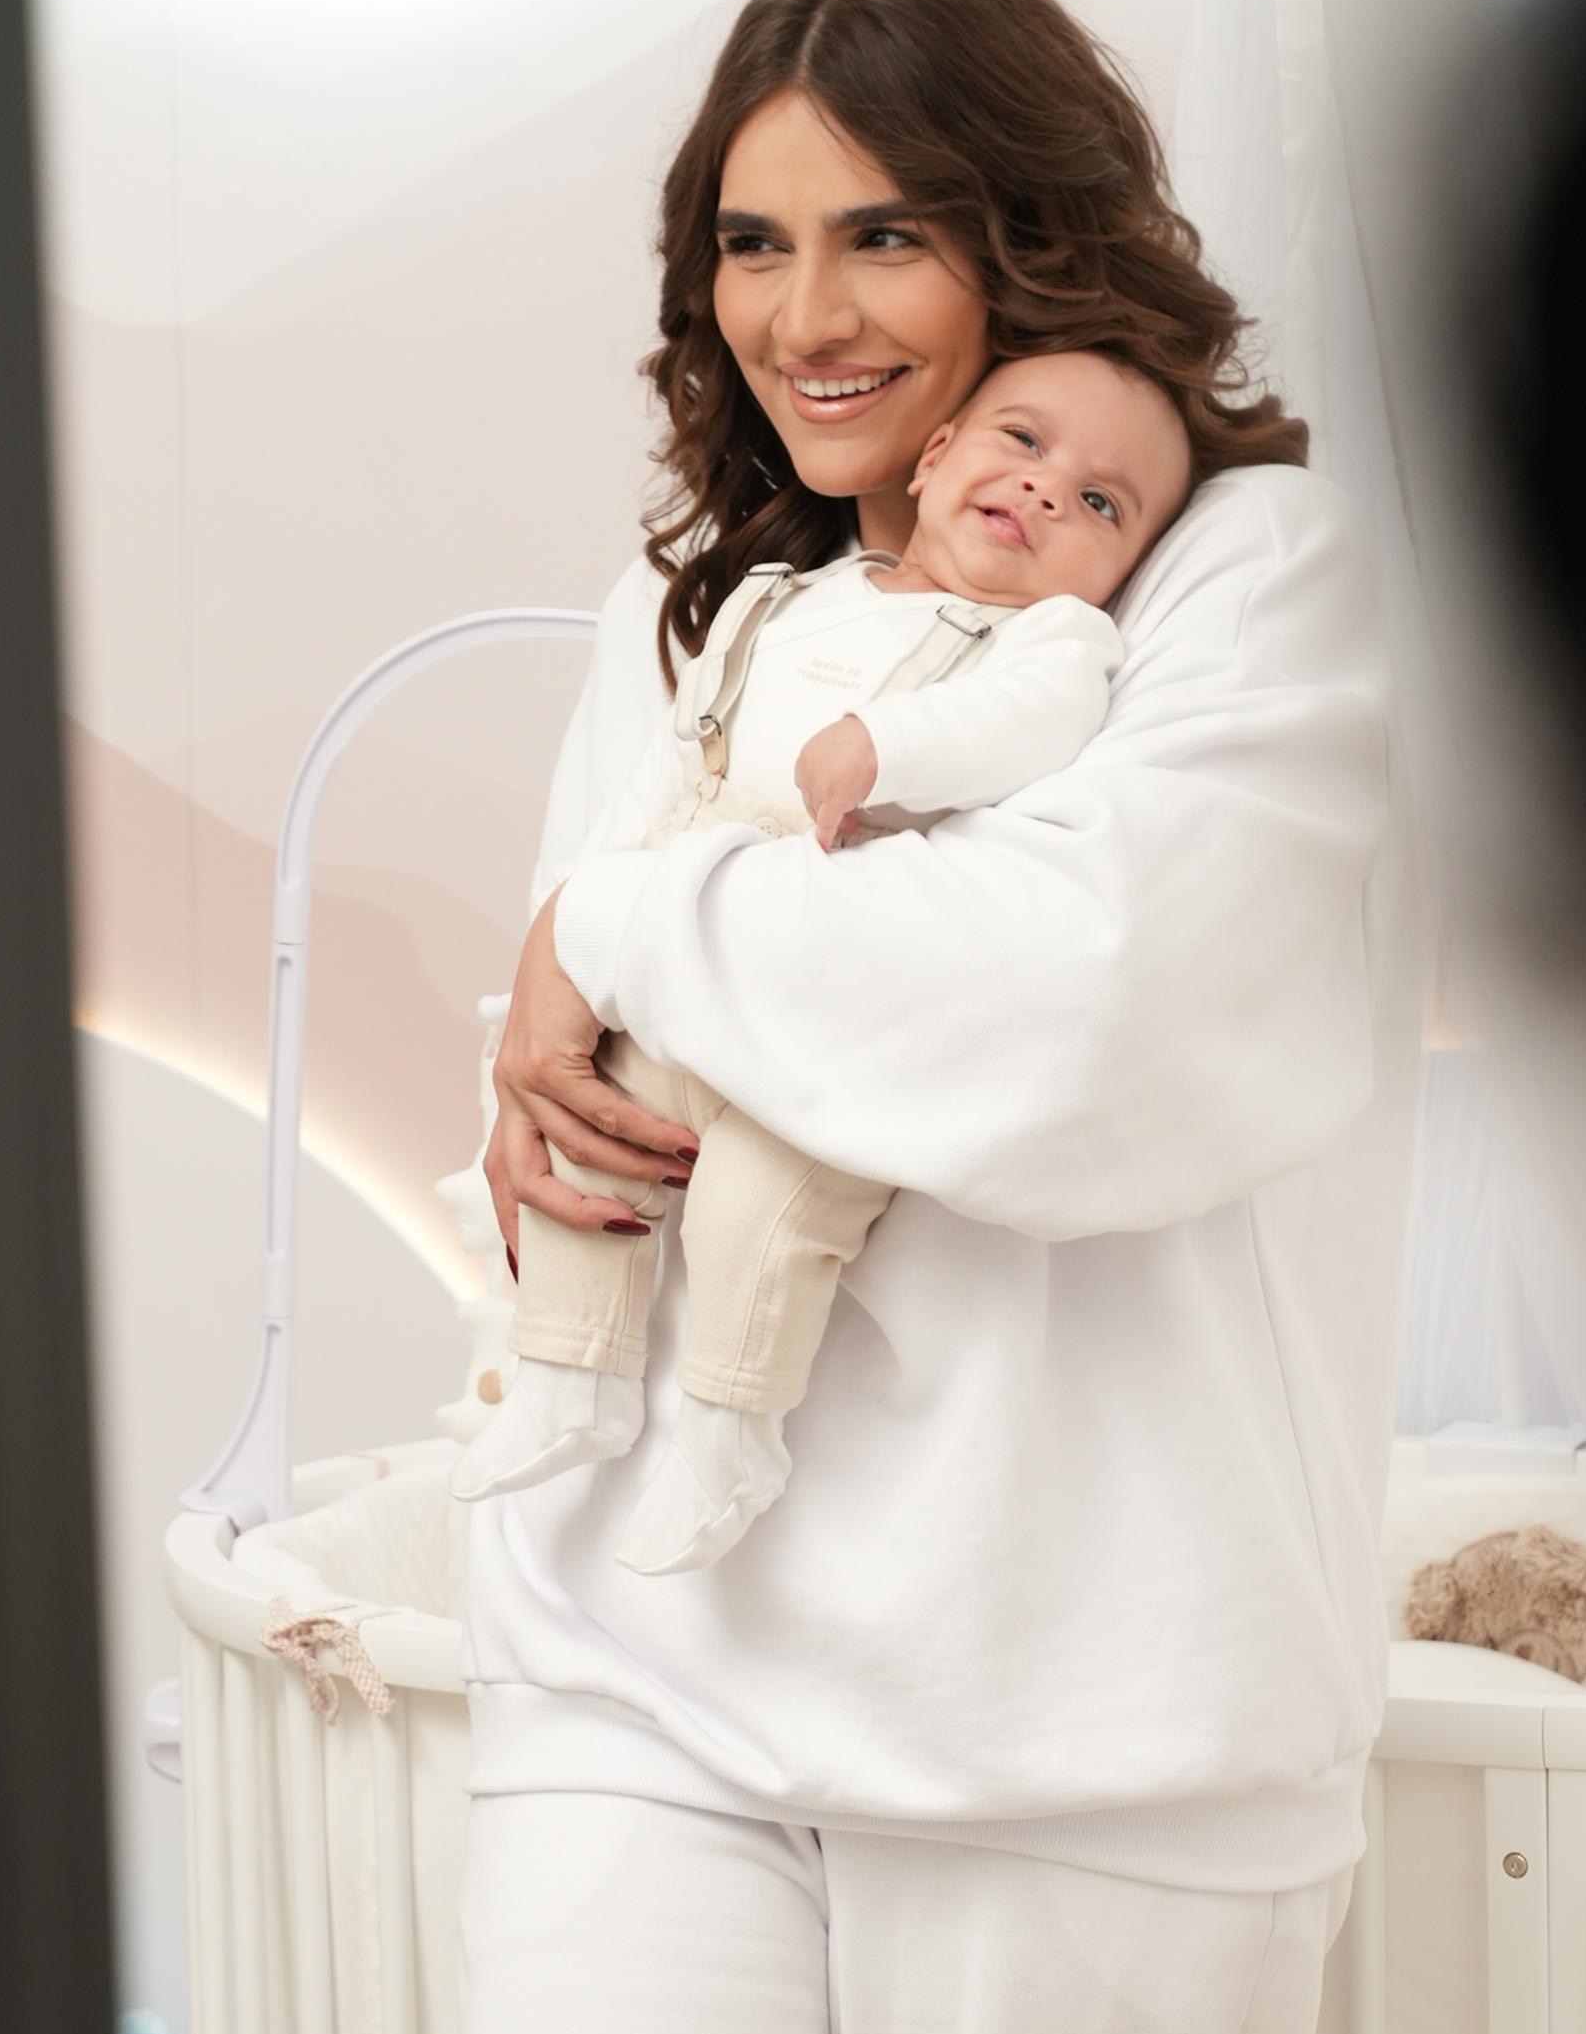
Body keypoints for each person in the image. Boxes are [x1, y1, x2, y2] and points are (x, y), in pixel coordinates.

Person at [398, 0, 1427, 2034]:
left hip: (1089, 1716)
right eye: (751, 244)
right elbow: (634, 1076)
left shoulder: (1238, 567)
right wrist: (589, 1023)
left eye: (884, 234)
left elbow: (1087, 1014)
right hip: (654, 1672)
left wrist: (616, 924)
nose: (806, 314)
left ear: (1030, 240)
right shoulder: (709, 609)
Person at [451, 346, 1205, 1576]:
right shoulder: (780, 601)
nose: (1046, 489)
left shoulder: (1050, 642)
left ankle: (730, 1434)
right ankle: (569, 1377)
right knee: (592, 1151)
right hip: (666, 955)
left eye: (1099, 502)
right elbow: (665, 772)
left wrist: (888, 743)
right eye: (1022, 442)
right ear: (937, 455)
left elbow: (1031, 725)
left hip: (828, 1013)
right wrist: (570, 928)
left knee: (761, 1213)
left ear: (1124, 572)